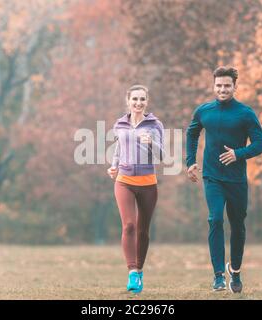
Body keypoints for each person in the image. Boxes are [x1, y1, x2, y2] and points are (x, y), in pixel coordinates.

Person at [186, 66, 262, 293]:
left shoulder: (245, 113)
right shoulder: (204, 111)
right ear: (214, 86)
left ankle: (236, 271)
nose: (222, 89)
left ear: (234, 87)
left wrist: (238, 153)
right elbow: (192, 133)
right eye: (219, 85)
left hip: (237, 180)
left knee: (238, 226)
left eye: (227, 86)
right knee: (215, 219)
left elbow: (261, 144)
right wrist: (190, 161)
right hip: (212, 177)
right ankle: (218, 275)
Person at [107, 84, 164, 294]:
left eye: (142, 99)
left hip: (148, 183)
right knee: (129, 226)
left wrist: (151, 144)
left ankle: (139, 270)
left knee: (143, 230)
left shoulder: (155, 124)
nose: (138, 103)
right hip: (124, 181)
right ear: (128, 101)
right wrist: (114, 166)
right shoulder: (120, 124)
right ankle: (132, 272)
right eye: (135, 99)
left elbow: (162, 156)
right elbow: (119, 148)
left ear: (147, 101)